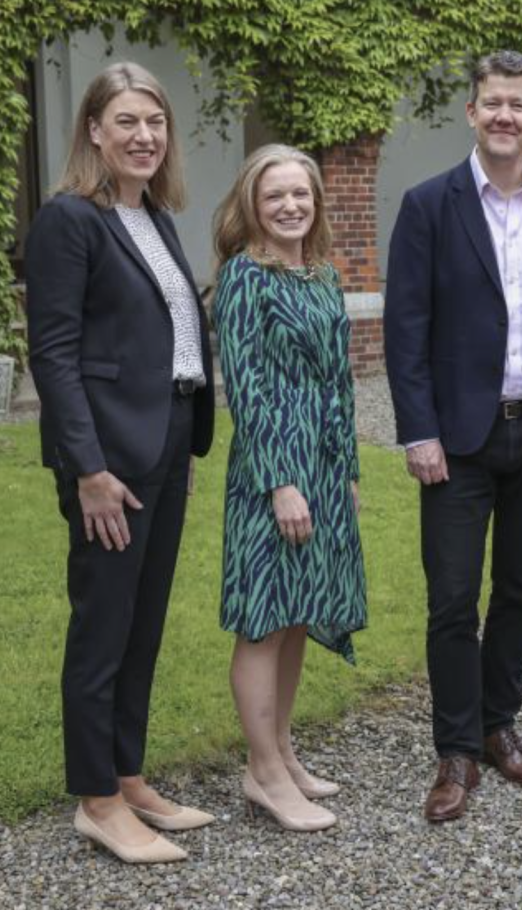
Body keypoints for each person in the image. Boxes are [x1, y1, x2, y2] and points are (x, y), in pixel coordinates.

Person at [384, 50, 522, 823]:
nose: (504, 115)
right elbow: (406, 329)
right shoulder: (428, 205)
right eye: (492, 103)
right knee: (450, 599)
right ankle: (455, 751)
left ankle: (497, 723)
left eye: (519, 104)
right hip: (459, 441)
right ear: (471, 114)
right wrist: (418, 432)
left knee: (519, 591)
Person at [25, 62, 216, 863]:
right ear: (94, 131)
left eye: (155, 123)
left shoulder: (155, 216)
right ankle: (97, 801)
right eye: (127, 122)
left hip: (167, 440)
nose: (144, 137)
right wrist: (88, 469)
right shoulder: (71, 219)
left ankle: (127, 774)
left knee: (142, 624)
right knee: (103, 627)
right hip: (110, 458)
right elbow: (56, 354)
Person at [212, 144, 366, 833]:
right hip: (273, 469)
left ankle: (281, 752)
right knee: (265, 617)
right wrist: (282, 482)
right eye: (275, 195)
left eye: (301, 194)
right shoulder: (245, 278)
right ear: (252, 203)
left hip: (323, 468)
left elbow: (339, 381)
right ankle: (262, 773)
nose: (290, 206)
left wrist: (348, 470)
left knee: (299, 608)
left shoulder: (322, 277)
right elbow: (246, 389)